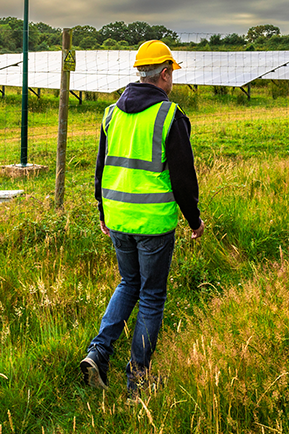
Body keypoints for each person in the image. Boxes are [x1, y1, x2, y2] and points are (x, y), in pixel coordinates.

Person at [81, 40, 205, 393]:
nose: (172, 82)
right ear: (163, 74)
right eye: (171, 75)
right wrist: (194, 220)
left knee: (127, 283)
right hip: (153, 223)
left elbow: (101, 169)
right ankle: (138, 379)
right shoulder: (170, 116)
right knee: (151, 296)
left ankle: (99, 352)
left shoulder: (111, 113)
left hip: (118, 217)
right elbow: (183, 179)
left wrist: (104, 211)